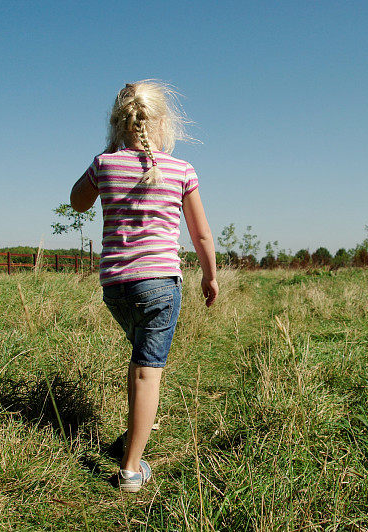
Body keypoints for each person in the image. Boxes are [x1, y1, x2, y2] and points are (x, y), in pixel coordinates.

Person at [70, 80, 219, 493]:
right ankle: (132, 469)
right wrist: (209, 275)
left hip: (116, 286)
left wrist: (103, 163)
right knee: (148, 371)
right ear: (163, 123)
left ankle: (135, 431)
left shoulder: (104, 164)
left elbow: (76, 201)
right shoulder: (181, 170)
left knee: (139, 362)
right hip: (159, 286)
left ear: (120, 122)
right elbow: (201, 234)